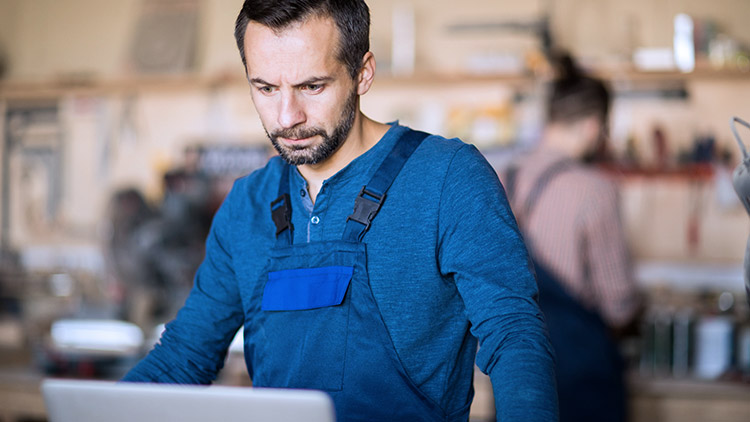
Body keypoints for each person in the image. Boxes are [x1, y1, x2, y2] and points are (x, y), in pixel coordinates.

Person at [122, 1, 558, 420]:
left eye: (312, 86)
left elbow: (514, 335)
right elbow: (182, 359)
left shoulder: (447, 177)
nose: (287, 116)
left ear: (363, 73)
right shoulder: (246, 205)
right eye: (266, 88)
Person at [502, 52, 642, 422]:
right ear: (595, 126)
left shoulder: (500, 176)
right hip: (580, 374)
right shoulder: (595, 190)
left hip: (514, 369)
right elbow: (619, 305)